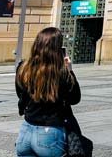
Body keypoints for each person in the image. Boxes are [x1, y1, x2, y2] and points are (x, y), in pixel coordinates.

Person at [16, 27, 81, 157]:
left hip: (26, 131)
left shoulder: (23, 67)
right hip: (50, 133)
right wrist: (70, 71)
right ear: (57, 49)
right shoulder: (61, 72)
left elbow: (20, 94)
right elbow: (74, 98)